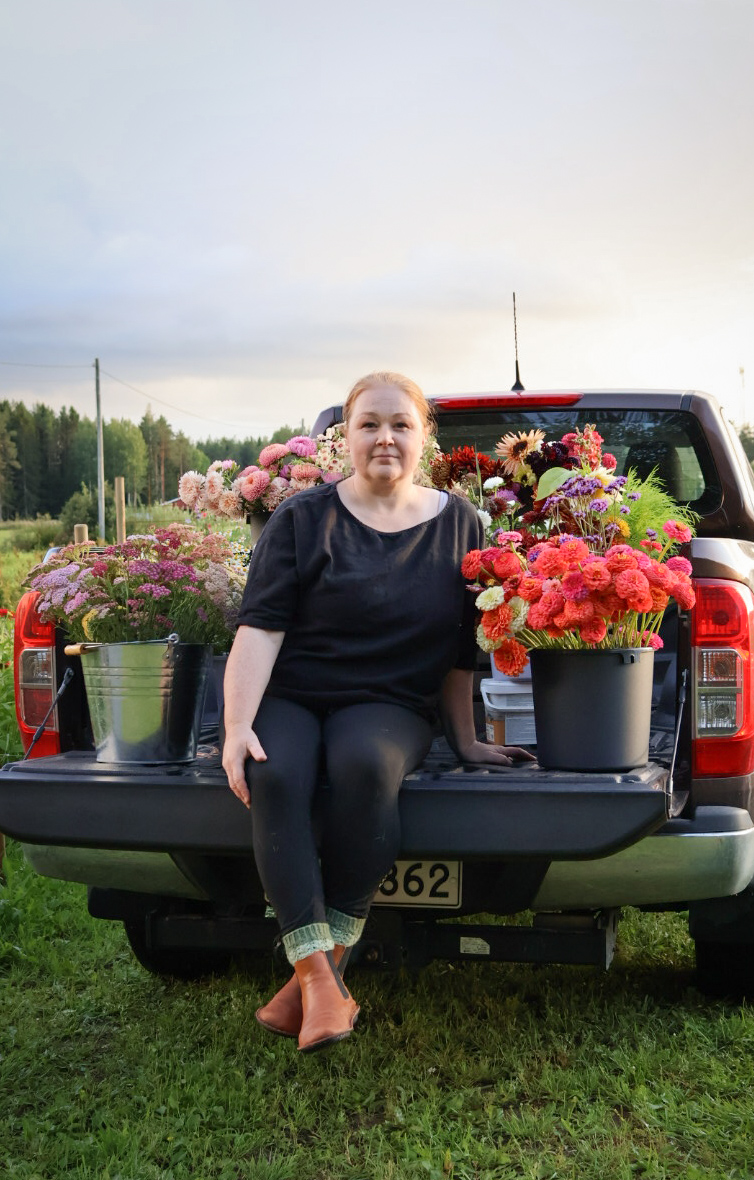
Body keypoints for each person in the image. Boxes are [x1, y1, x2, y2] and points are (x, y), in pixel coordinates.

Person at [221, 371, 530, 1052]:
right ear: (347, 438)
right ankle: (319, 978)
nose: (385, 437)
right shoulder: (302, 519)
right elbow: (260, 630)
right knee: (275, 772)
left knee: (364, 764)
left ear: (424, 438)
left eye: (400, 424)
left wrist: (467, 740)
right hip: (293, 694)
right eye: (369, 424)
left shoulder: (461, 523)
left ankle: (315, 977)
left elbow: (460, 649)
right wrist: (238, 726)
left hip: (391, 704)